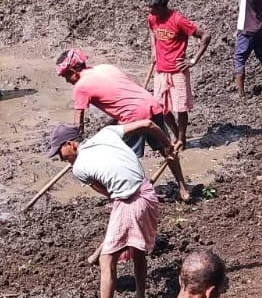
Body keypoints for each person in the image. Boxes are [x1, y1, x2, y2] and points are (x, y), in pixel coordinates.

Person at [48, 120, 177, 298]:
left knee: (106, 259)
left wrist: (119, 196)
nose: (60, 158)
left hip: (129, 202)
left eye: (60, 152)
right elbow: (148, 123)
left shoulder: (79, 168)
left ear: (71, 144)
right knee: (138, 252)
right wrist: (166, 145)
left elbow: (107, 192)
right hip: (146, 193)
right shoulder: (108, 133)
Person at [55, 49, 192, 202]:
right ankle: (183, 189)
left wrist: (78, 150)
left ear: (73, 70)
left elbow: (77, 126)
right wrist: (114, 121)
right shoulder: (105, 68)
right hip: (150, 103)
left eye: (66, 76)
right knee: (166, 149)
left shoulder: (81, 87)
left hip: (133, 115)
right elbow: (130, 87)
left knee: (125, 157)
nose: (67, 81)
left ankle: (136, 194)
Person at [146, 0, 210, 151]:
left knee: (181, 108)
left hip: (178, 71)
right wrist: (154, 49)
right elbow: (152, 31)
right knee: (161, 108)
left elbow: (205, 36)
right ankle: (176, 135)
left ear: (161, 7)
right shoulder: (152, 18)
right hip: (160, 70)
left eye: (152, 7)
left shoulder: (178, 20)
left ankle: (182, 138)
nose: (149, 11)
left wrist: (193, 60)